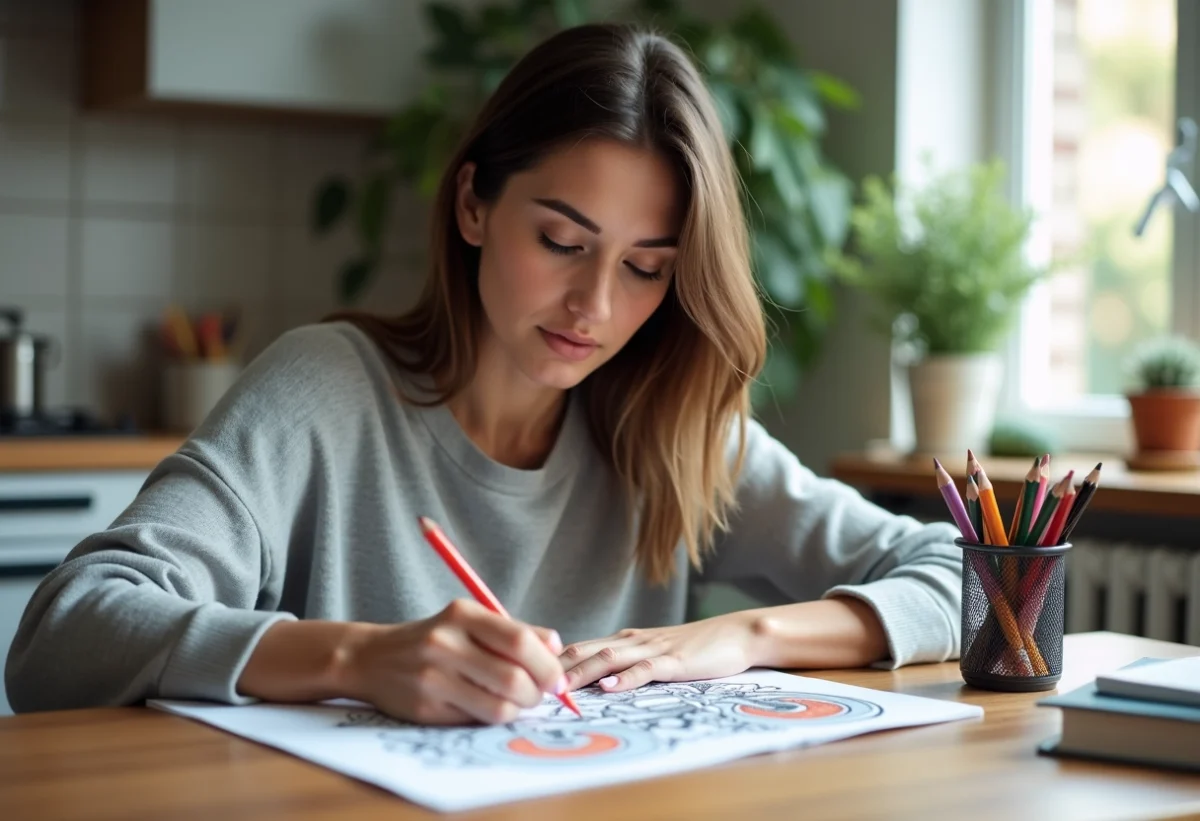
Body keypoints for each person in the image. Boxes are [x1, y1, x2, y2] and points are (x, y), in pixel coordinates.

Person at [5, 23, 961, 724]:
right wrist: (358, 654)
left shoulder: (666, 428)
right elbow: (61, 636)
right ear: (473, 203)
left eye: (645, 268)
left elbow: (968, 575)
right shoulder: (325, 390)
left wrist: (740, 637)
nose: (595, 304)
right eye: (560, 240)